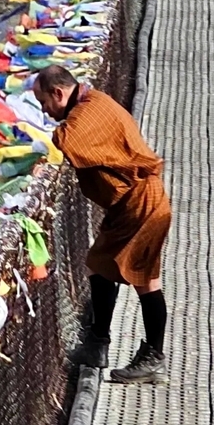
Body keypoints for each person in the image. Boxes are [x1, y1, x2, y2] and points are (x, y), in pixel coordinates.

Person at [33, 65, 171, 384]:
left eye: (43, 102)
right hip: (130, 203)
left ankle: (151, 356)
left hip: (141, 203)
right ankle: (98, 344)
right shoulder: (91, 102)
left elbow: (67, 140)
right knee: (99, 266)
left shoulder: (89, 110)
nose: (44, 110)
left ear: (58, 93)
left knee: (145, 279)